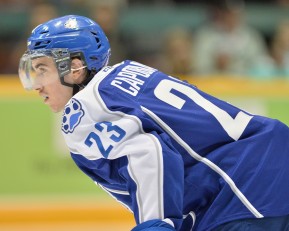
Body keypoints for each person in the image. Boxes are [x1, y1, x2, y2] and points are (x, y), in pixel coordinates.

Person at [18, 15, 289, 231]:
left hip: (240, 192)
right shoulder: (129, 71)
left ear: (75, 67)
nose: (36, 84)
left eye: (43, 69)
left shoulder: (85, 107)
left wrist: (154, 224)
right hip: (274, 156)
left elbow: (148, 152)